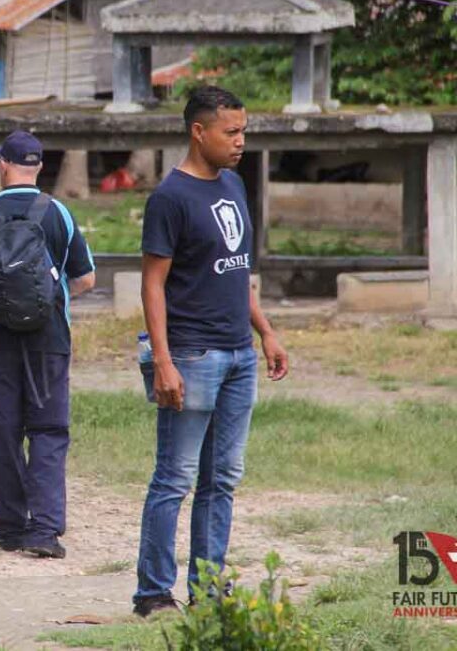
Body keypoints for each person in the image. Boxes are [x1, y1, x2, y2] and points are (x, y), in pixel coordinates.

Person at [132, 86, 289, 617]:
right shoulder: (170, 198)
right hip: (192, 356)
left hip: (239, 355)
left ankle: (208, 588)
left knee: (221, 479)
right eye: (231, 132)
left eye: (244, 131)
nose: (241, 141)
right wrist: (164, 361)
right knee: (174, 479)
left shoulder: (234, 185)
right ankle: (153, 593)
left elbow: (236, 268)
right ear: (199, 132)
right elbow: (152, 285)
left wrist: (265, 331)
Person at [0, 130, 96, 559]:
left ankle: (11, 527)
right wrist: (51, 297)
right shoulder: (58, 214)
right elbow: (85, 278)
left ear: (2, 165)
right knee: (49, 430)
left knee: (3, 431)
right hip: (50, 339)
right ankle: (45, 531)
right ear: (39, 167)